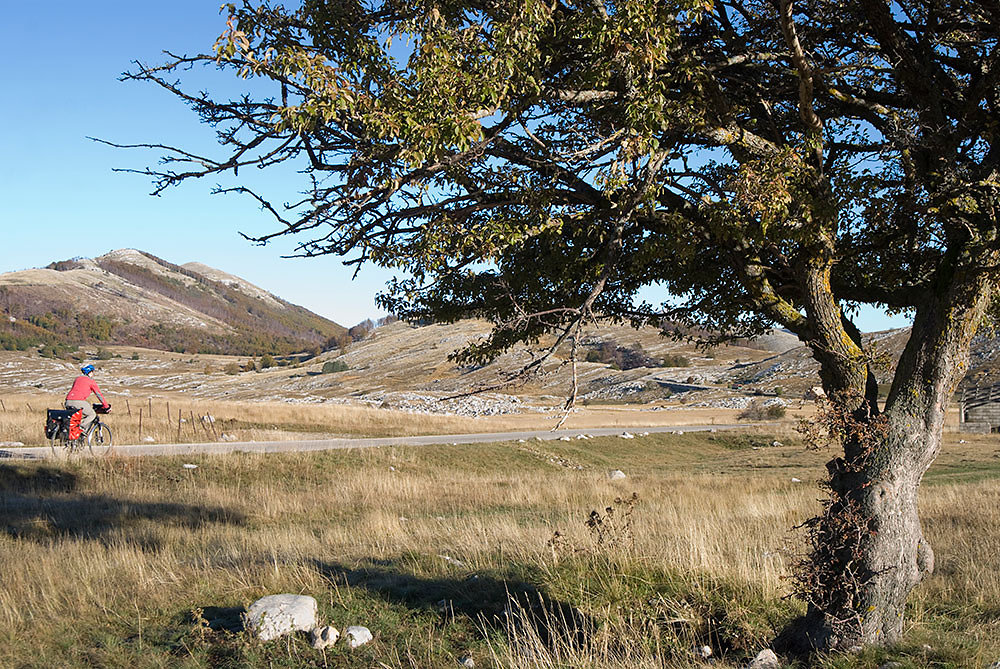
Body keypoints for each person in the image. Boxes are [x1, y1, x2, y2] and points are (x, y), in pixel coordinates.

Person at [65, 364, 109, 434]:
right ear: (89, 372)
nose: (93, 374)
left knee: (77, 418)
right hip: (79, 401)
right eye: (92, 372)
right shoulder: (91, 381)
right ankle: (80, 428)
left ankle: (75, 435)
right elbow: (98, 394)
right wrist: (106, 406)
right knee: (92, 414)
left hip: (68, 401)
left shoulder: (77, 379)